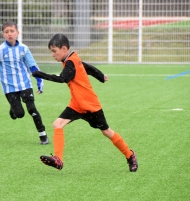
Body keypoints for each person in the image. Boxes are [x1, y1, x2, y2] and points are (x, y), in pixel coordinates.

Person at [32, 34, 138, 172]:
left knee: (107, 131)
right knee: (57, 124)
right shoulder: (71, 59)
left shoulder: (71, 61)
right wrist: (100, 76)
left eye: (54, 51)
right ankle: (58, 159)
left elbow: (63, 78)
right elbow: (86, 67)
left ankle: (130, 155)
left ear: (64, 49)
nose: (52, 55)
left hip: (90, 105)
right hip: (76, 104)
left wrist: (40, 74)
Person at [0, 20, 49, 145]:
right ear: (3, 34)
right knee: (20, 114)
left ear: (17, 32)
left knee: (32, 109)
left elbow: (33, 67)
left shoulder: (24, 49)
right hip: (9, 88)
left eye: (12, 31)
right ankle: (13, 109)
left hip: (25, 84)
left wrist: (40, 82)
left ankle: (43, 135)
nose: (10, 34)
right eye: (6, 32)